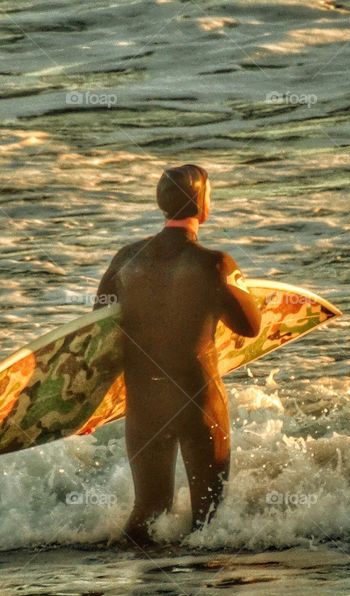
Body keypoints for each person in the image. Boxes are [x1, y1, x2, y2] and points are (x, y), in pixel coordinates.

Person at [94, 164, 262, 545]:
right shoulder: (214, 264)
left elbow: (99, 330)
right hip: (197, 401)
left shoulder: (125, 261)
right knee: (208, 518)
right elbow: (251, 326)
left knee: (148, 512)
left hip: (145, 405)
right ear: (201, 202)